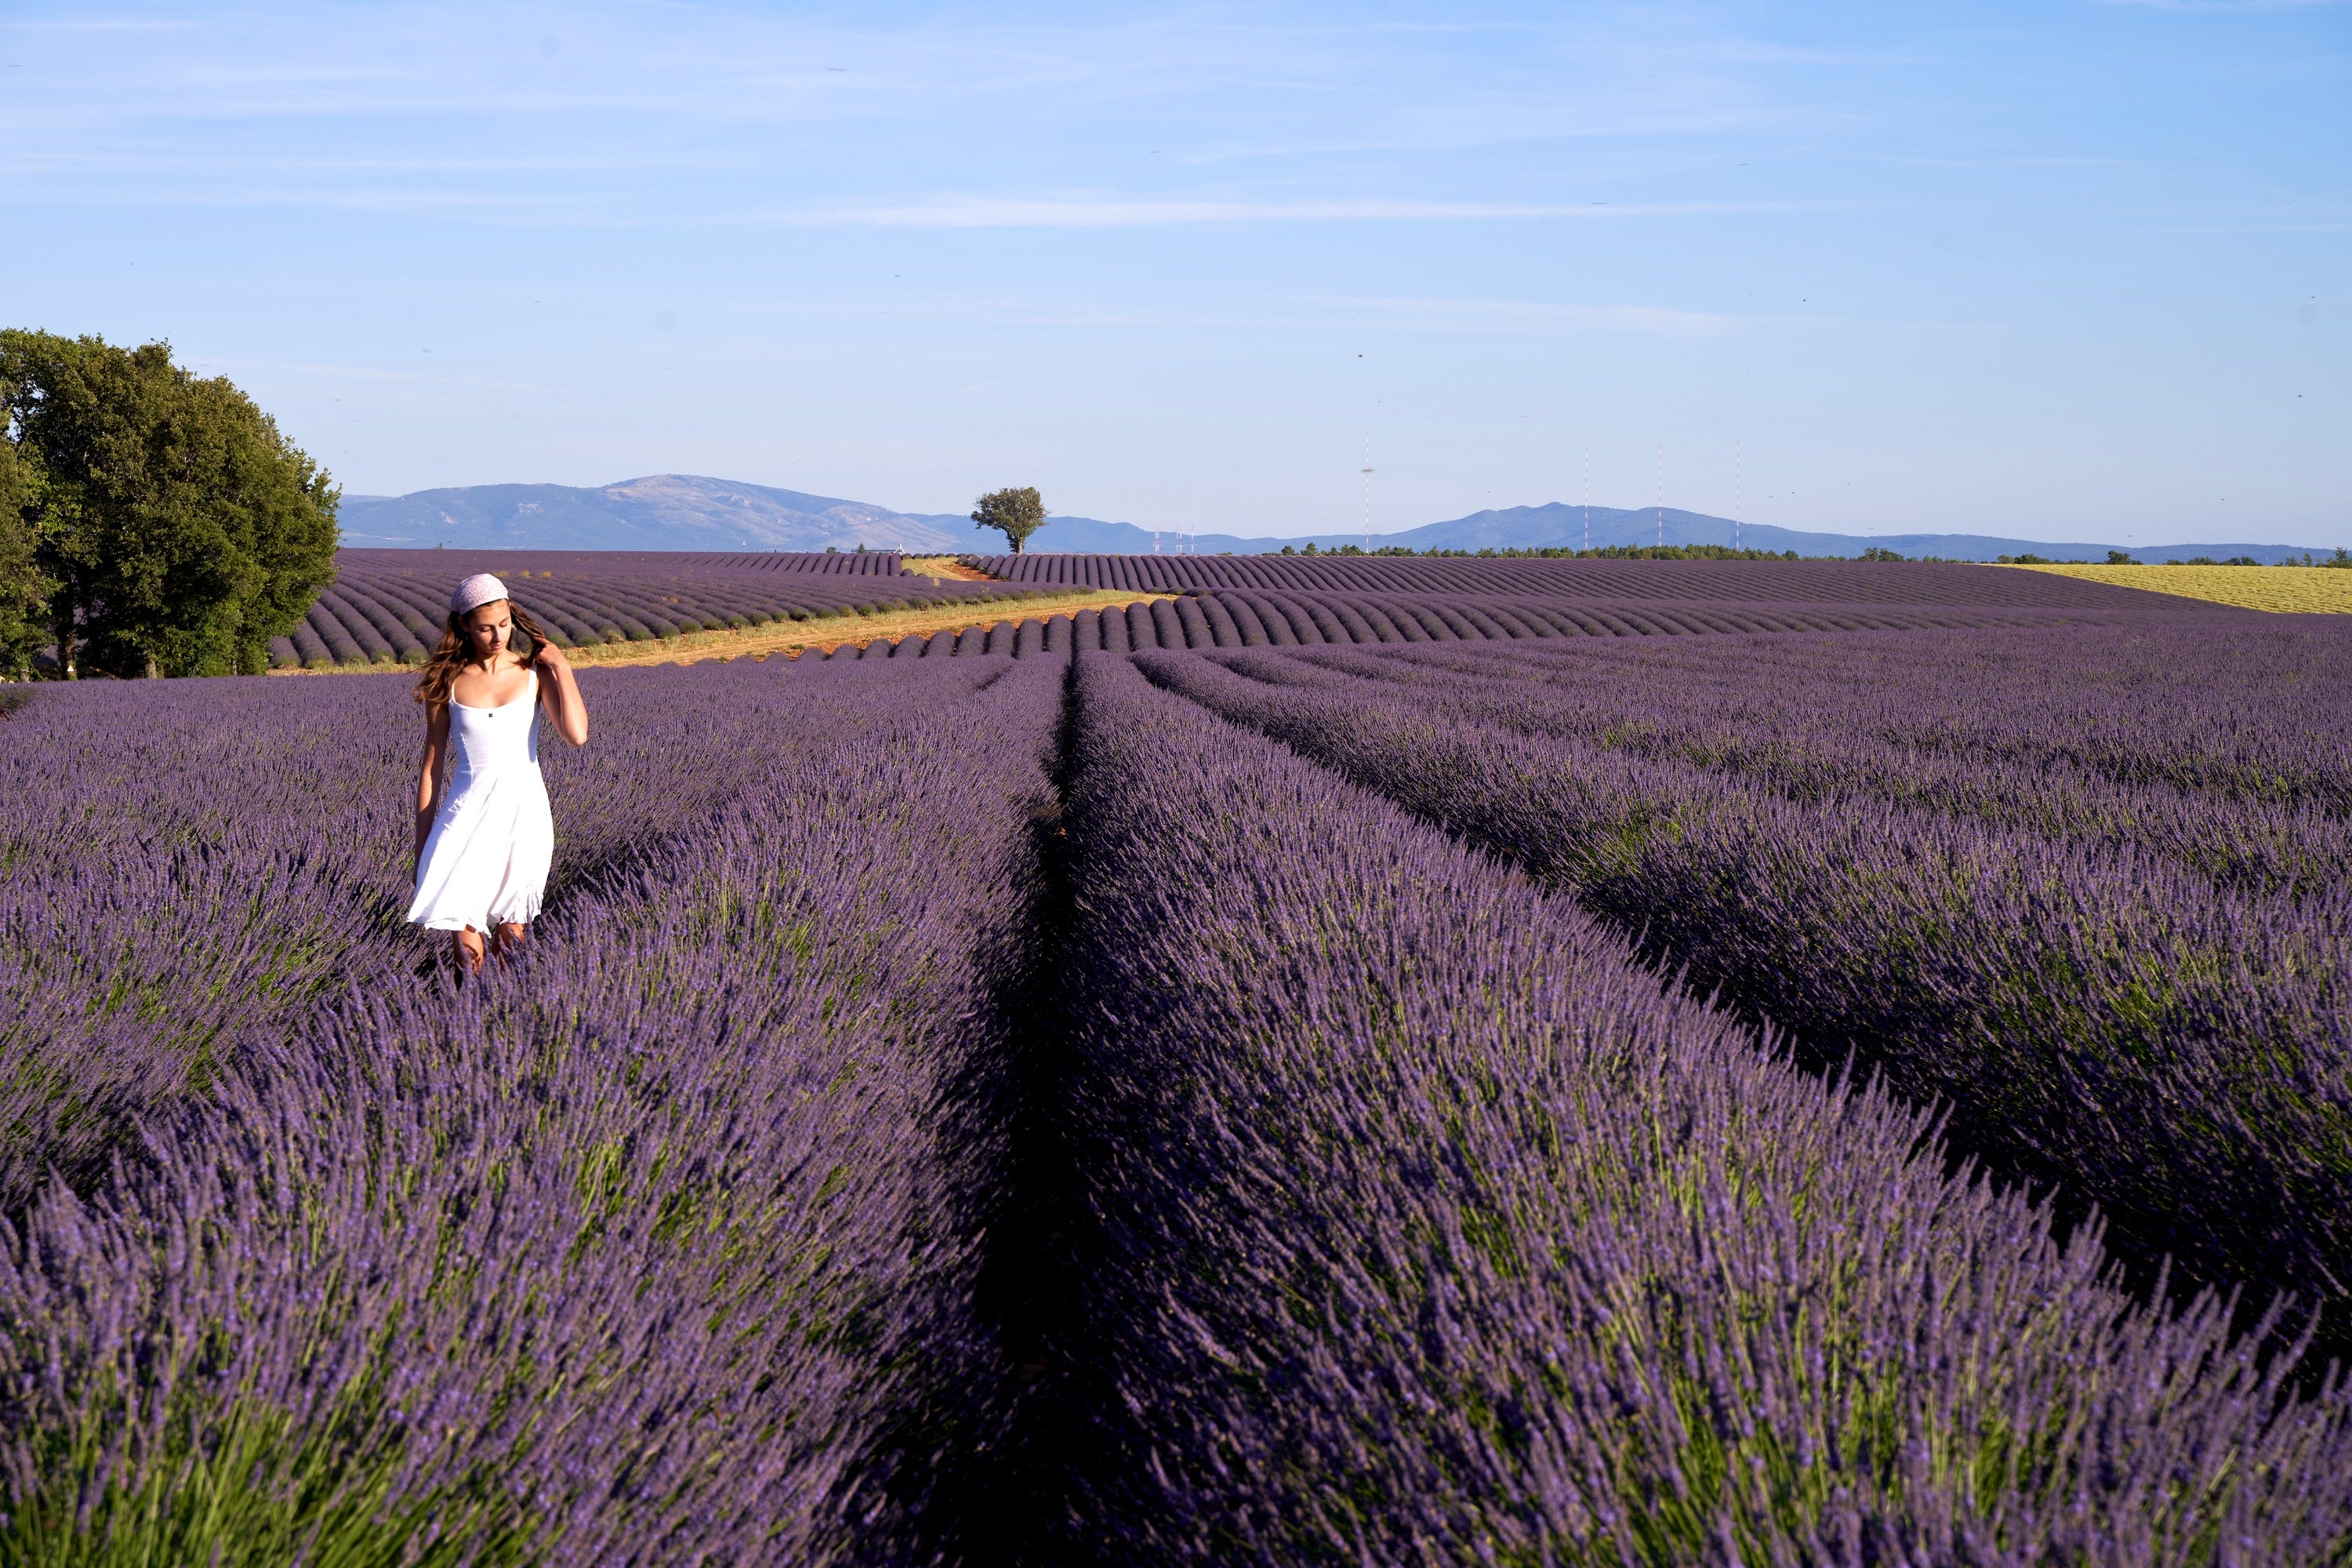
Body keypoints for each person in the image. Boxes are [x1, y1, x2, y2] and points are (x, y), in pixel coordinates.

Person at [408, 573, 590, 971]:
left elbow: (576, 735)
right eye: (485, 629)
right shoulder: (447, 683)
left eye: (504, 625)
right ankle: (466, 1018)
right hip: (464, 816)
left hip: (523, 815)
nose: (497, 637)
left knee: (512, 939)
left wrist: (561, 665)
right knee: (465, 943)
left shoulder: (532, 674)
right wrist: (422, 848)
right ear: (464, 627)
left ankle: (503, 1022)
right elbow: (431, 769)